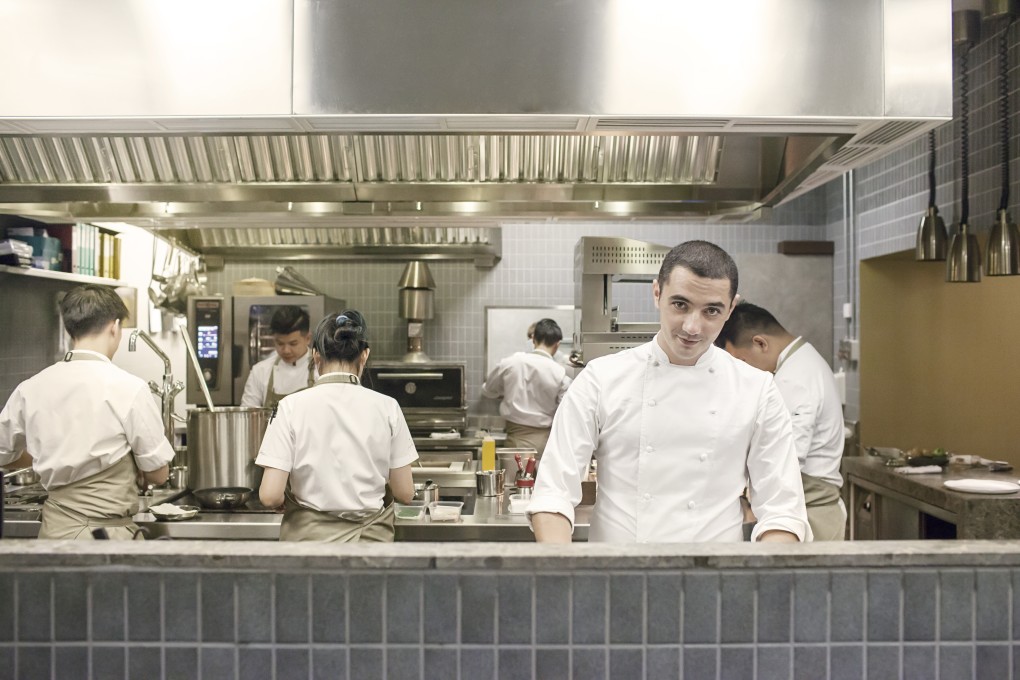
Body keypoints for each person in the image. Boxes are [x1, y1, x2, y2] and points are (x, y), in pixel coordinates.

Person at [528, 240, 811, 544]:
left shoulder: (757, 390)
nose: (692, 327)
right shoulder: (601, 378)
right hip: (616, 577)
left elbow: (783, 511)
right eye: (680, 305)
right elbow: (553, 494)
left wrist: (757, 584)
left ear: (731, 309)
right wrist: (566, 577)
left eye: (711, 311)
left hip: (715, 580)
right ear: (657, 293)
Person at [0, 284, 174, 540]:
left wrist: (47, 453)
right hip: (105, 539)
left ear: (71, 330)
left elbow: (4, 454)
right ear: (114, 327)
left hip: (53, 536)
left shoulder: (30, 388)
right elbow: (159, 474)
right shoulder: (129, 388)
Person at [256, 310, 418, 542]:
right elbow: (405, 493)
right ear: (364, 355)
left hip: (308, 549)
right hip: (370, 548)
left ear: (316, 356)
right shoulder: (388, 407)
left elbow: (270, 496)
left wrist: (286, 502)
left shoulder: (290, 407)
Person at [716, 302, 847, 540]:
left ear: (760, 343)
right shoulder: (804, 360)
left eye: (742, 362)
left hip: (811, 512)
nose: (743, 372)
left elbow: (787, 457)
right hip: (810, 507)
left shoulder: (794, 379)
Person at [481, 318, 573, 455]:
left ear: (533, 339)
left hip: (516, 439)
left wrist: (506, 390)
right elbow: (566, 410)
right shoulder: (560, 373)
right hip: (546, 443)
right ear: (557, 344)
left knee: (516, 474)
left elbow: (488, 390)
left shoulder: (510, 363)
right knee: (542, 476)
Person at [240, 305, 316, 408]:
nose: (286, 350)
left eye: (293, 344)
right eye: (280, 343)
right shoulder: (260, 371)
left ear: (308, 338)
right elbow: (249, 414)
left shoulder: (321, 369)